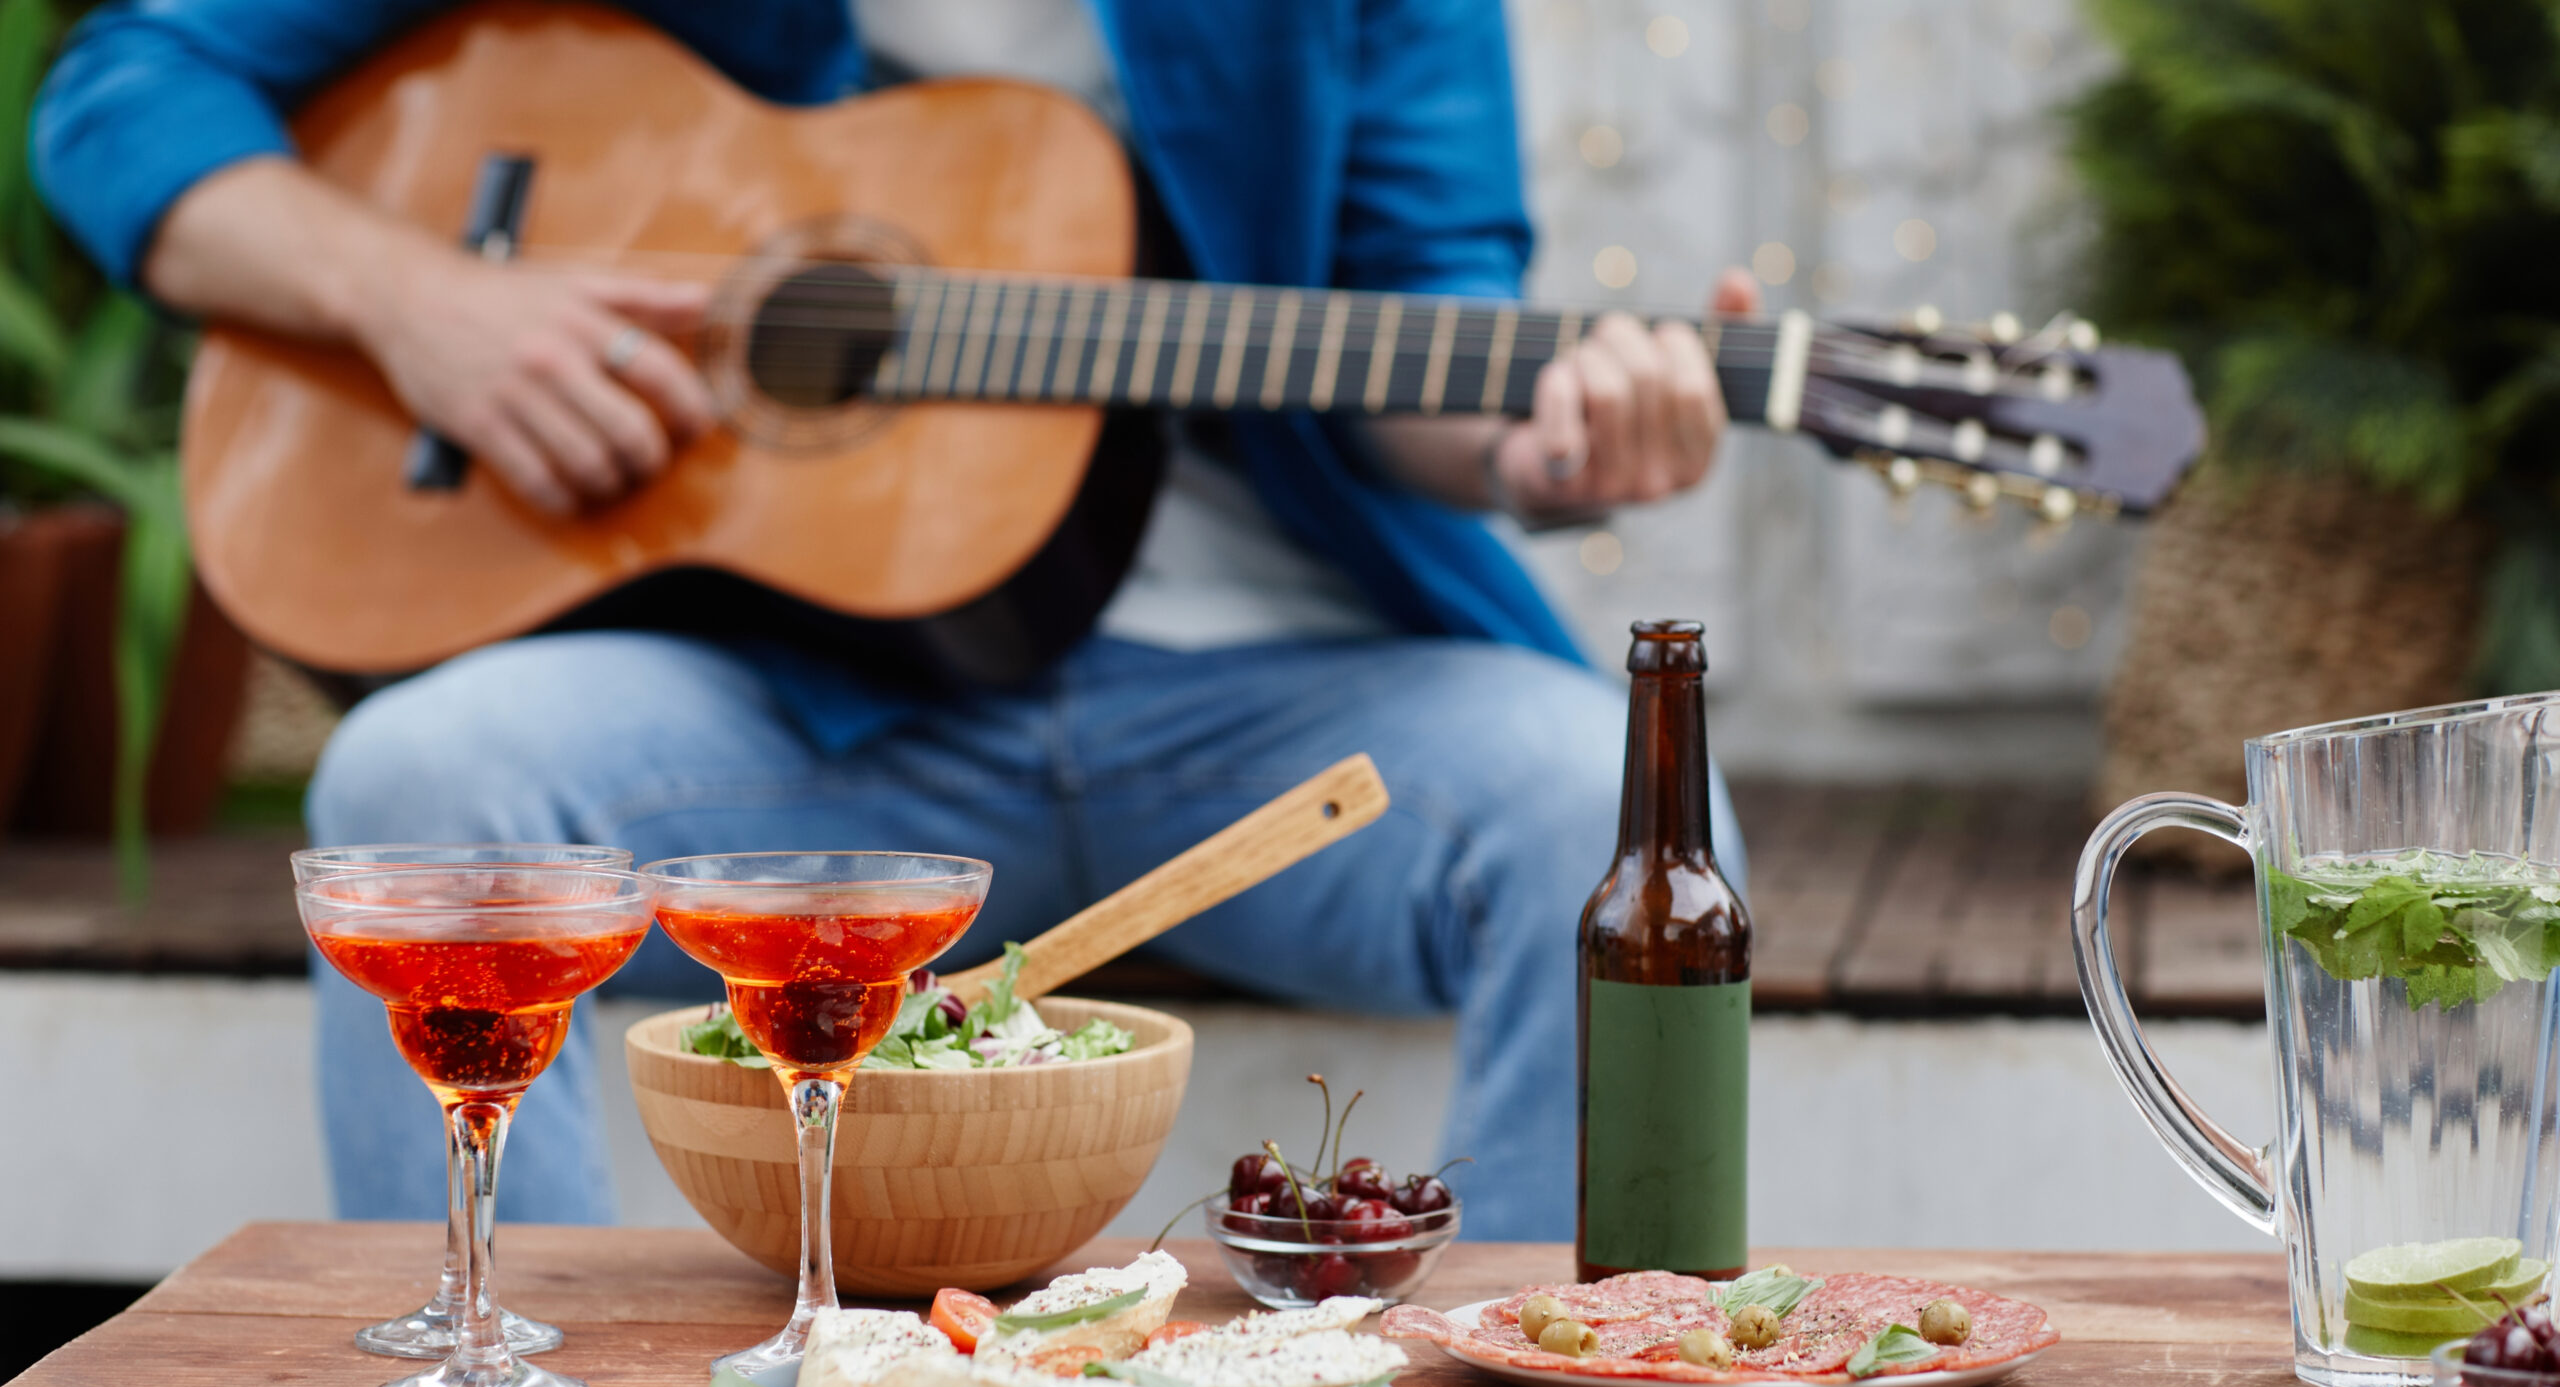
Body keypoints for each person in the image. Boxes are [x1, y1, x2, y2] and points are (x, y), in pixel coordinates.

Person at [34, 0, 1754, 1241]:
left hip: (1278, 696)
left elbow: (1422, 313)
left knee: (1613, 819)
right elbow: (123, 89)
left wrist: (1553, 445)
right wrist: (425, 304)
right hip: (806, 712)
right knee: (426, 791)